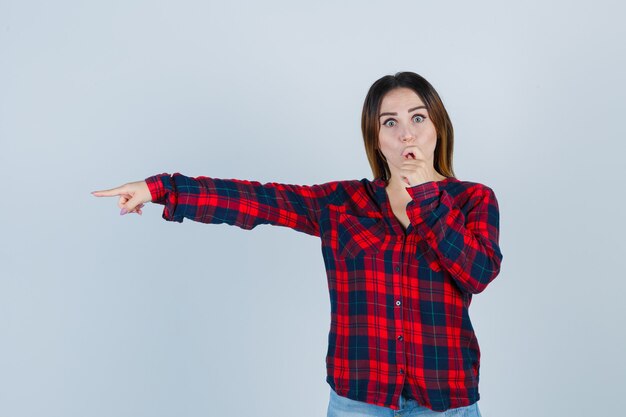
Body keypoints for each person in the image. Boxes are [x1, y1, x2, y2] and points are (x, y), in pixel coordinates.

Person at [92, 71, 502, 416]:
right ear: (376, 138)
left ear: (437, 128)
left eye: (418, 118)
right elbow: (257, 201)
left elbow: (478, 273)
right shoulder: (342, 204)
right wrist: (161, 189)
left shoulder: (473, 199)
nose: (405, 133)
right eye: (389, 122)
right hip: (360, 400)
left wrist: (427, 197)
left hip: (447, 401)